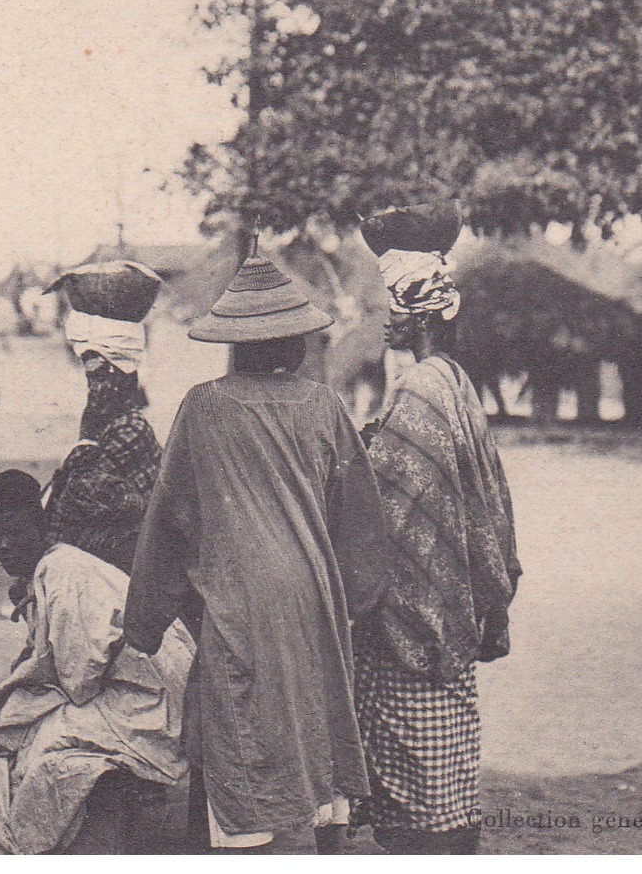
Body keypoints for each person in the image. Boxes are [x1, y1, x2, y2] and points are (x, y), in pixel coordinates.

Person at [124, 253, 384, 854]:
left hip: (239, 601)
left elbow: (170, 522)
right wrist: (360, 597)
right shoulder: (323, 406)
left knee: (241, 726)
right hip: (313, 597)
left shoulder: (205, 407)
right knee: (313, 720)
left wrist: (143, 624)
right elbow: (360, 518)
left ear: (234, 346)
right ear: (296, 346)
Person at [337, 202, 522, 855]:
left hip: (409, 628)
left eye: (393, 305)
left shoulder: (418, 389)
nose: (385, 319)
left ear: (412, 312)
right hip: (451, 623)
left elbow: (393, 512)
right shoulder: (454, 381)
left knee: (415, 805)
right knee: (449, 789)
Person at [0, 469, 194, 855]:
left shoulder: (63, 571)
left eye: (16, 535)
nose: (5, 547)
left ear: (40, 529)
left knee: (22, 747)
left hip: (146, 700)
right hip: (135, 686)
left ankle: (21, 848)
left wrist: (24, 690)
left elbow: (79, 678)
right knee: (8, 731)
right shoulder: (53, 567)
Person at [40, 260, 164, 573]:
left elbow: (74, 504)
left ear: (124, 377)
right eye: (90, 377)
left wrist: (85, 439)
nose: (95, 388)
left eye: (101, 375)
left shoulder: (130, 431)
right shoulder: (108, 424)